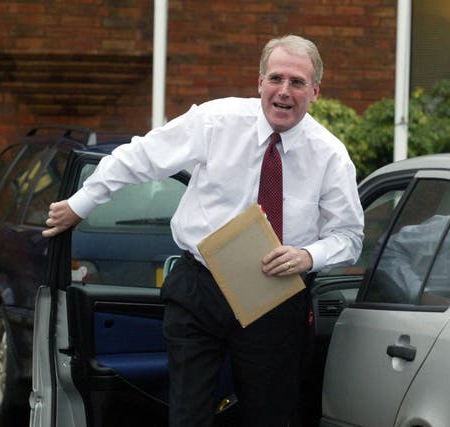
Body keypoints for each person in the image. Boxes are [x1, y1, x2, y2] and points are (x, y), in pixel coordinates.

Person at [42, 34, 364, 426]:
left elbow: (349, 236)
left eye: (297, 83)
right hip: (200, 286)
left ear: (314, 91)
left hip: (274, 296)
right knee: (188, 413)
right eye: (276, 79)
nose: (284, 91)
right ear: (259, 82)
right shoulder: (217, 121)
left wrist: (308, 255)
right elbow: (142, 156)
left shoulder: (329, 155)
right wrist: (82, 204)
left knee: (270, 415)